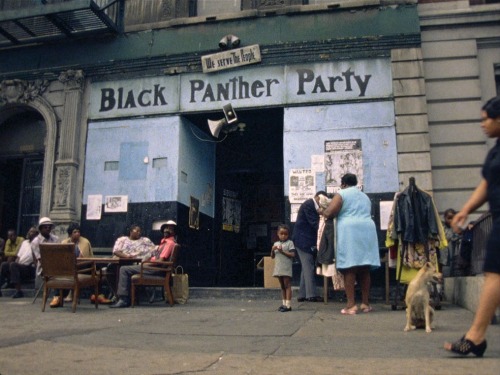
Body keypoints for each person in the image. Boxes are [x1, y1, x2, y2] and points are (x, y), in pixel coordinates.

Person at [444, 96, 500, 357]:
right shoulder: (495, 151)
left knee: (494, 274)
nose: (482, 124)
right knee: (493, 274)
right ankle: (476, 335)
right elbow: (488, 184)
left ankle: (476, 336)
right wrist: (465, 210)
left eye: (485, 119)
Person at [320, 173, 380, 314]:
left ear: (343, 184)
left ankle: (351, 305)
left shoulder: (342, 193)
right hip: (367, 230)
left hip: (349, 231)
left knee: (350, 267)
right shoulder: (365, 196)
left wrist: (323, 211)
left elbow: (330, 212)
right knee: (365, 267)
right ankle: (365, 304)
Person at [109, 222, 175, 308]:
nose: (167, 230)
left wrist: (146, 263)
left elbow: (160, 261)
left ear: (174, 232)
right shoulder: (164, 242)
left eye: (170, 229)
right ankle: (128, 297)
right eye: (166, 228)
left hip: (155, 268)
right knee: (116, 268)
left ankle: (123, 299)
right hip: (153, 266)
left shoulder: (169, 243)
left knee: (124, 269)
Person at [292, 191, 326, 302]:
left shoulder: (310, 205)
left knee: (306, 267)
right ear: (317, 197)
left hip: (304, 240)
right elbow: (314, 223)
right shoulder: (309, 205)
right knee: (309, 267)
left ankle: (302, 295)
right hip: (303, 241)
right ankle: (311, 295)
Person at [0, 227, 38, 298]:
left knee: (13, 265)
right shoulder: (24, 242)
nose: (29, 233)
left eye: (32, 232)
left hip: (29, 268)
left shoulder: (37, 243)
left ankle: (19, 291)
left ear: (36, 234)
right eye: (29, 231)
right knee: (4, 264)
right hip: (20, 266)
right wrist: (16, 263)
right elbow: (18, 256)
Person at [31, 217, 60, 307]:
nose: (48, 228)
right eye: (45, 227)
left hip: (57, 264)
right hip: (44, 267)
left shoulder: (55, 239)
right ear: (40, 229)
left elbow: (60, 253)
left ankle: (60, 296)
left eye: (49, 227)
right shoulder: (36, 242)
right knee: (57, 273)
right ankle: (57, 296)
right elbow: (40, 259)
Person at [61, 222, 94, 302]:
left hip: (83, 267)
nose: (77, 234)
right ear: (70, 234)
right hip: (68, 267)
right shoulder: (64, 242)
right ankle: (58, 297)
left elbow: (85, 257)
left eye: (78, 232)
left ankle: (71, 293)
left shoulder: (85, 242)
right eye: (75, 232)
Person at [271, 224, 296, 312]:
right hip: (279, 267)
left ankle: (288, 305)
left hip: (286, 267)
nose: (283, 236)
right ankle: (284, 303)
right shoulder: (276, 243)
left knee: (287, 285)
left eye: (285, 234)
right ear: (278, 234)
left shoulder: (290, 243)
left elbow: (292, 254)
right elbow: (272, 256)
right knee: (282, 286)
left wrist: (282, 252)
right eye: (281, 234)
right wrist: (272, 249)